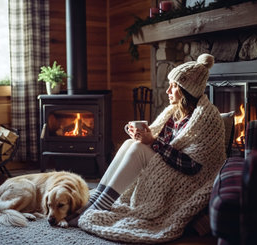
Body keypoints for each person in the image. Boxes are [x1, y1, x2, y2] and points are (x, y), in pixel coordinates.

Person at [67, 53, 226, 243]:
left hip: (186, 177)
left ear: (186, 90)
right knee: (130, 144)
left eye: (174, 86)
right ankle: (95, 202)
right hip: (169, 166)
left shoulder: (208, 118)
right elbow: (163, 144)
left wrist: (152, 142)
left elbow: (194, 166)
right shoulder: (174, 113)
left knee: (137, 150)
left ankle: (98, 206)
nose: (168, 90)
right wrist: (142, 137)